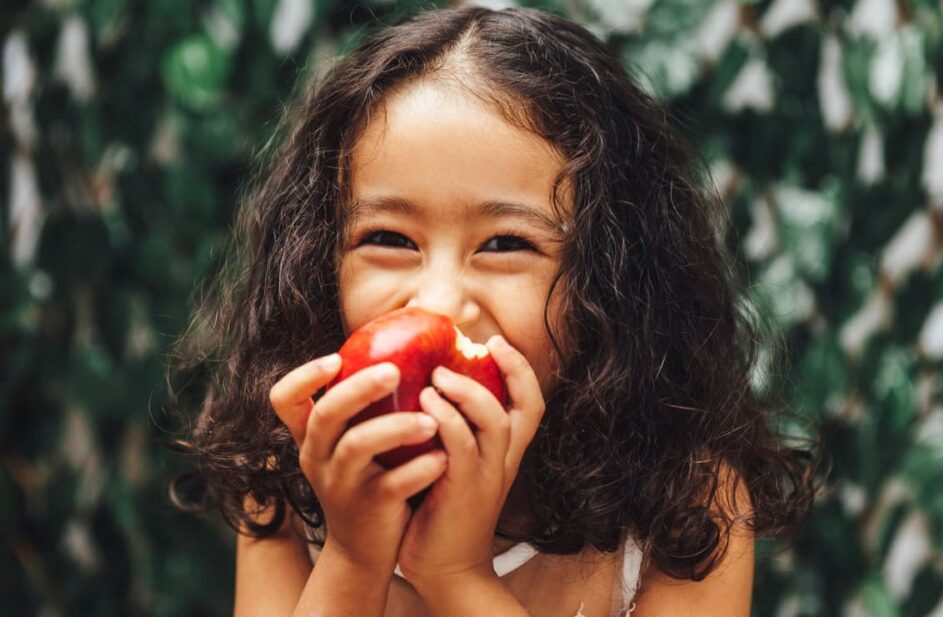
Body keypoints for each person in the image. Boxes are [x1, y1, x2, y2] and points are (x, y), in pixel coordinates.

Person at [167, 5, 821, 616]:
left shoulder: (689, 502)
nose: (439, 301)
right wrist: (353, 555)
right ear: (320, 262)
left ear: (613, 279)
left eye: (506, 244)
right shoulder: (288, 476)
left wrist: (455, 575)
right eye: (389, 239)